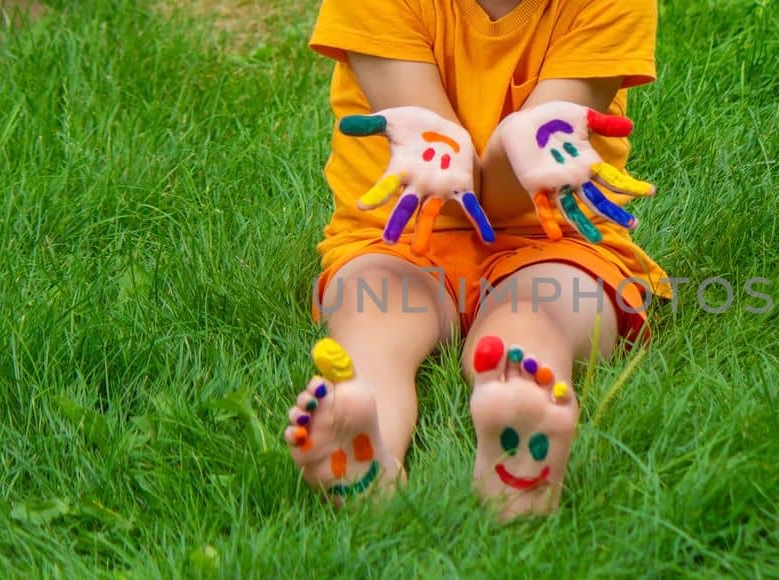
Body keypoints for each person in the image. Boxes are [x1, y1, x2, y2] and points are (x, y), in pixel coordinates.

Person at [283, 0, 666, 519]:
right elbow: (447, 179)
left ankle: (520, 420)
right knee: (375, 319)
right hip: (401, 233)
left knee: (536, 319)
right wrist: (507, 140)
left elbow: (506, 198)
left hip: (549, 235)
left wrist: (515, 143)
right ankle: (362, 443)